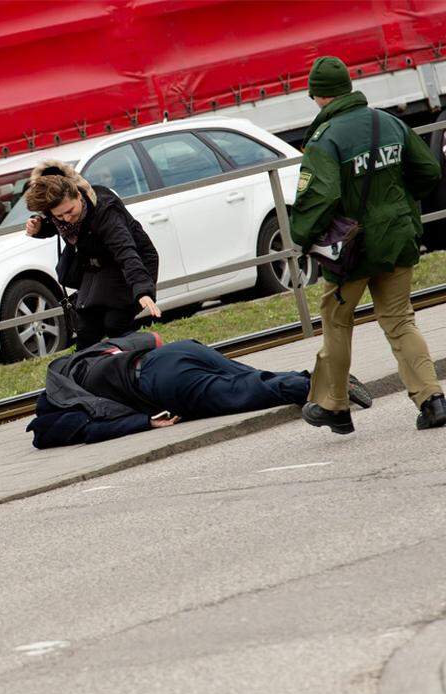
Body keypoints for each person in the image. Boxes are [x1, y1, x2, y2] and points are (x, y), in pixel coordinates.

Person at [291, 56, 446, 434]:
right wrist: (400, 206)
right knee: (399, 319)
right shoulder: (388, 122)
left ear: (318, 96)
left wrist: (302, 236)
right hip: (396, 240)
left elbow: (320, 197)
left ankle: (335, 406)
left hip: (352, 252)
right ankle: (433, 400)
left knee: (337, 321)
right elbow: (428, 170)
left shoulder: (324, 140)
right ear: (348, 88)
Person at [26, 332, 373, 449]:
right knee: (255, 377)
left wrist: (143, 423)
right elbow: (152, 339)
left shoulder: (63, 403)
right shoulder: (79, 361)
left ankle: (330, 385)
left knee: (249, 391)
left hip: (161, 385)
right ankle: (322, 378)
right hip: (178, 350)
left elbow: (47, 434)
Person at [24, 159, 161, 349]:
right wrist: (40, 227)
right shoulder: (63, 219)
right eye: (59, 216)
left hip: (130, 263)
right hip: (97, 267)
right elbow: (59, 224)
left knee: (116, 323)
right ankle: (85, 371)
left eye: (70, 211)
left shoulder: (105, 210)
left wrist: (142, 289)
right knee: (86, 328)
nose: (67, 219)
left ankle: (142, 357)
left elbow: (126, 251)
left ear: (78, 196)